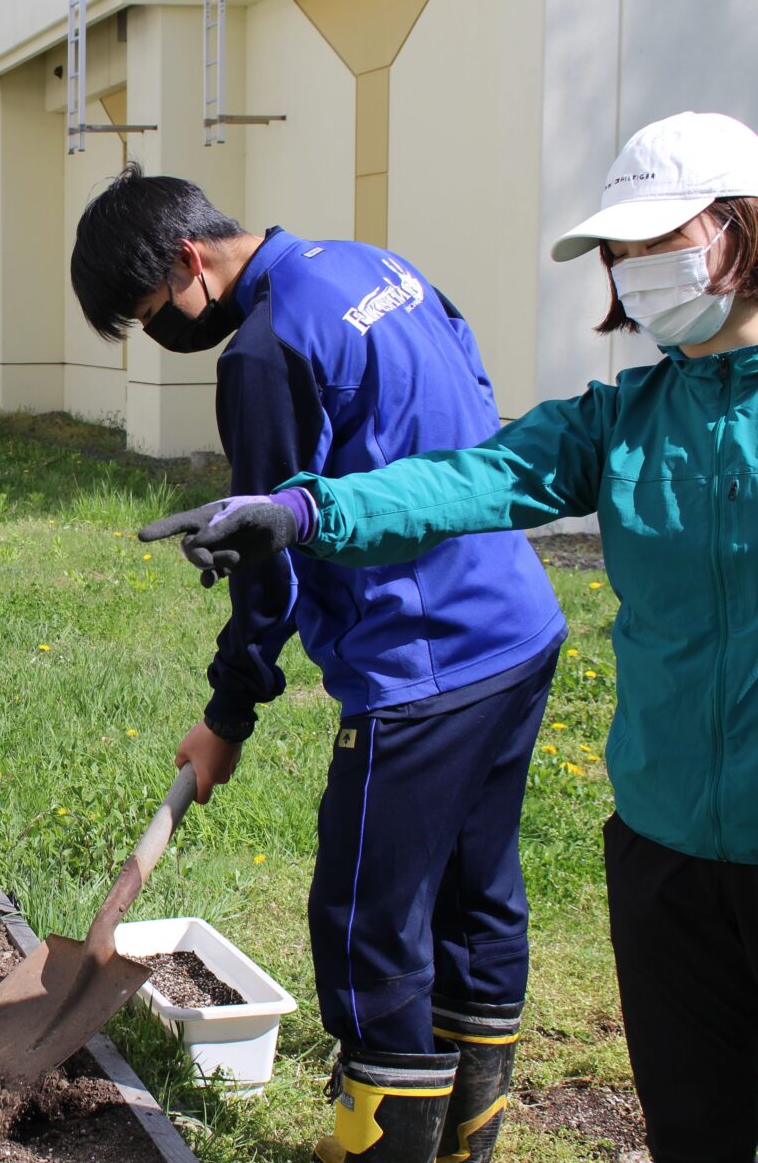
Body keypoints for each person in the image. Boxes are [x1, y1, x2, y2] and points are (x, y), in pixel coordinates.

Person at [145, 111, 758, 1163]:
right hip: (662, 841)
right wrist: (296, 514)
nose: (637, 269)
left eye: (664, 242)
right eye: (623, 250)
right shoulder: (624, 418)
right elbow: (470, 474)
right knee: (694, 1126)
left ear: (740, 229)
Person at [71, 167, 566, 1163]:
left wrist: (229, 712)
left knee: (363, 929)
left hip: (418, 665)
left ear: (188, 259)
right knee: (478, 897)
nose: (161, 331)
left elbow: (268, 558)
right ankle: (468, 1140)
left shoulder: (263, 351)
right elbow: (474, 406)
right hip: (515, 624)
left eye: (151, 309)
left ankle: (382, 1148)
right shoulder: (374, 265)